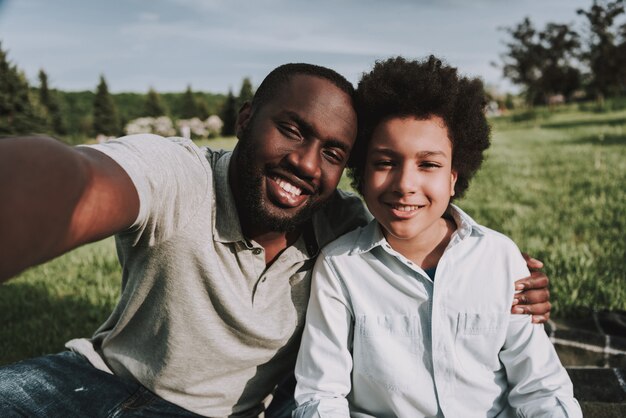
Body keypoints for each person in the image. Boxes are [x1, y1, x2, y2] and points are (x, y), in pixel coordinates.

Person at [0, 63, 551, 417]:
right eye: (292, 129)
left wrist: (493, 264)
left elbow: (419, 216)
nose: (306, 164)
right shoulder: (179, 174)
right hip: (90, 382)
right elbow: (76, 180)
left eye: (334, 152)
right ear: (246, 119)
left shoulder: (340, 226)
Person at [293, 56, 581, 417]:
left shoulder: (499, 257)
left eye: (428, 164)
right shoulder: (339, 268)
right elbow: (321, 393)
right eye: (385, 162)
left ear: (454, 177)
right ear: (360, 173)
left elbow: (540, 386)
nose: (405, 185)